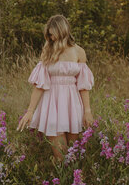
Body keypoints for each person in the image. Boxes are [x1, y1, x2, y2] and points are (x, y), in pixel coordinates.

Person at [16, 14, 94, 162]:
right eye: (49, 36)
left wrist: (87, 111)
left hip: (72, 104)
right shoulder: (48, 51)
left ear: (61, 31)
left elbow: (83, 86)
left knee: (74, 155)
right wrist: (30, 111)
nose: (50, 39)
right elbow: (40, 85)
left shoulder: (79, 52)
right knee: (61, 156)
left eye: (52, 35)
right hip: (52, 104)